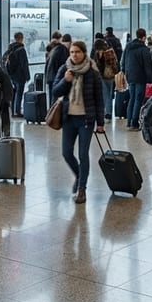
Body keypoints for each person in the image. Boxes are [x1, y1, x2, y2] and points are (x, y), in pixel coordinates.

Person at [52, 40, 105, 203]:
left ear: (84, 53)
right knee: (66, 153)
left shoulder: (92, 72)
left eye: (77, 52)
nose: (74, 55)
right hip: (68, 118)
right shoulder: (65, 69)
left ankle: (82, 189)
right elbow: (55, 91)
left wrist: (101, 122)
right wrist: (65, 81)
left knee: (83, 155)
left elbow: (99, 99)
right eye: (72, 52)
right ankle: (79, 175)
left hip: (86, 119)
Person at [121, 28, 152, 131]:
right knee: (138, 99)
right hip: (140, 77)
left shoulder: (128, 47)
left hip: (130, 76)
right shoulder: (144, 50)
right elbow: (147, 66)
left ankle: (129, 121)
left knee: (132, 98)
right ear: (144, 37)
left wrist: (125, 71)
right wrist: (151, 80)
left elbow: (123, 61)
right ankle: (134, 123)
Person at [2, 31, 31, 118]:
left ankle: (13, 111)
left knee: (14, 94)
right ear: (21, 38)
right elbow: (24, 64)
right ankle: (18, 111)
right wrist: (27, 76)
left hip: (12, 75)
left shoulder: (10, 48)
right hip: (20, 76)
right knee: (19, 94)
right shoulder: (21, 50)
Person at [91, 36, 117, 121]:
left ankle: (107, 113)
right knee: (107, 94)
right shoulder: (100, 53)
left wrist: (101, 57)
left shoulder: (108, 52)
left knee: (107, 94)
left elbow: (110, 64)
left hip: (107, 76)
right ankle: (107, 113)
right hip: (104, 76)